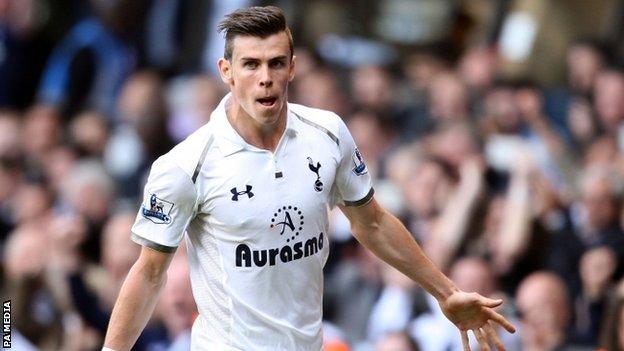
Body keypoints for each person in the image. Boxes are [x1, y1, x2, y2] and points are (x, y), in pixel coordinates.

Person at [103, 6, 515, 350]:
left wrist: (445, 292)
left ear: (292, 68)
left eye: (276, 63)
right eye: (250, 64)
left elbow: (371, 222)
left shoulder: (328, 134)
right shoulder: (186, 164)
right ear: (226, 71)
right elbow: (149, 273)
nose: (265, 77)